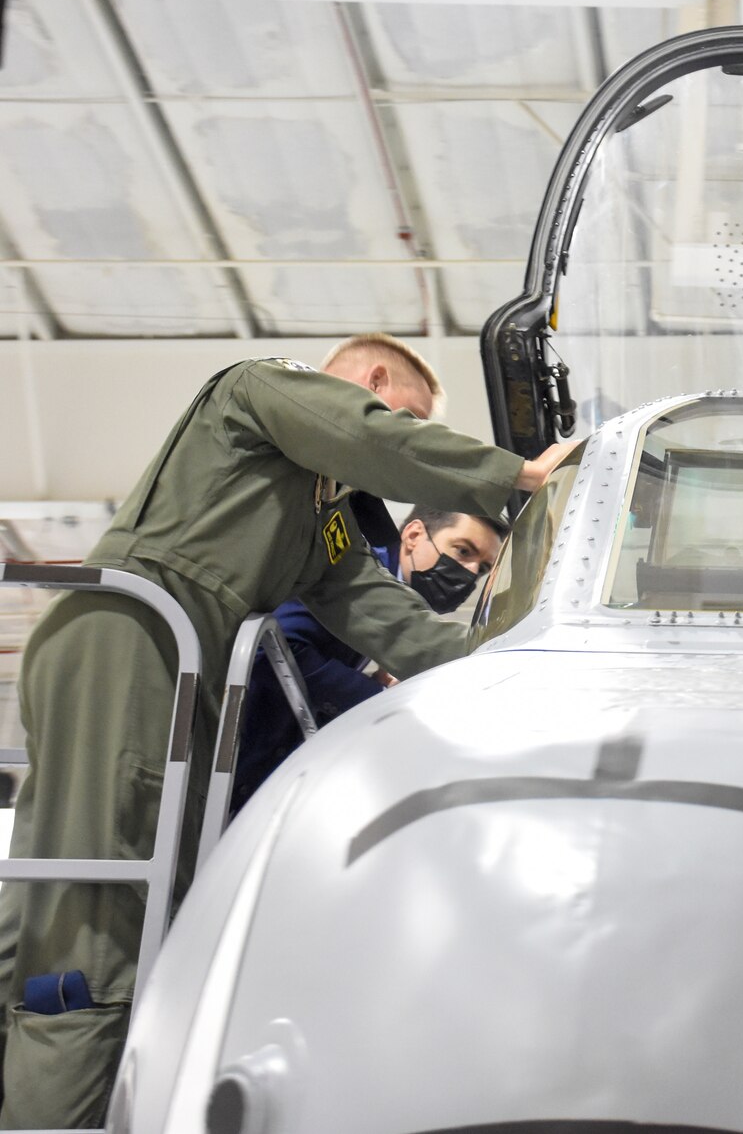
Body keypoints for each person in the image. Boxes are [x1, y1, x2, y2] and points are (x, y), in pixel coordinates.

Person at [0, 334, 571, 1128]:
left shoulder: (316, 522)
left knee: (90, 888)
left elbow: (387, 615)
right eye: (387, 411)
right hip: (130, 640)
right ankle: (51, 1110)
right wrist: (518, 475)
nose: (380, 433)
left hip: (173, 671)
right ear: (369, 384)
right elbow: (369, 435)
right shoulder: (260, 389)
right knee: (101, 904)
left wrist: (513, 667)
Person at [227, 504, 509, 815]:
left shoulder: (395, 596)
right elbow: (278, 646)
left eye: (481, 569)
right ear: (414, 535)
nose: (469, 573)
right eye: (463, 551)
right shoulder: (351, 575)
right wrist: (377, 698)